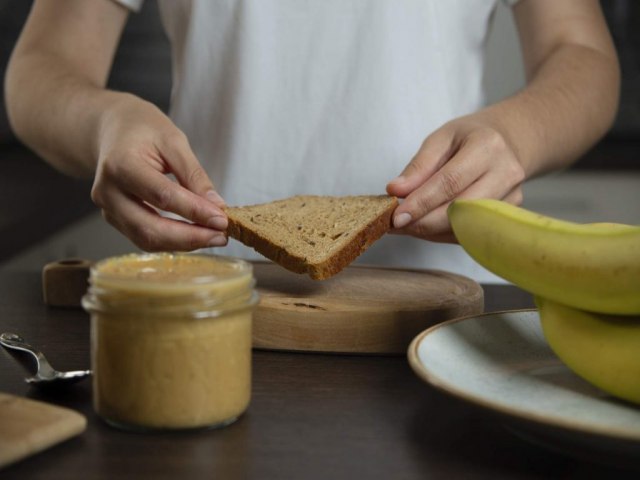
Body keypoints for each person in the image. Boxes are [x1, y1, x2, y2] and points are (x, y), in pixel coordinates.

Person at [5, 0, 619, 281]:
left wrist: (519, 134)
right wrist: (104, 121)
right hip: (211, 292)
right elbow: (40, 69)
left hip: (443, 305)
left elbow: (583, 53)